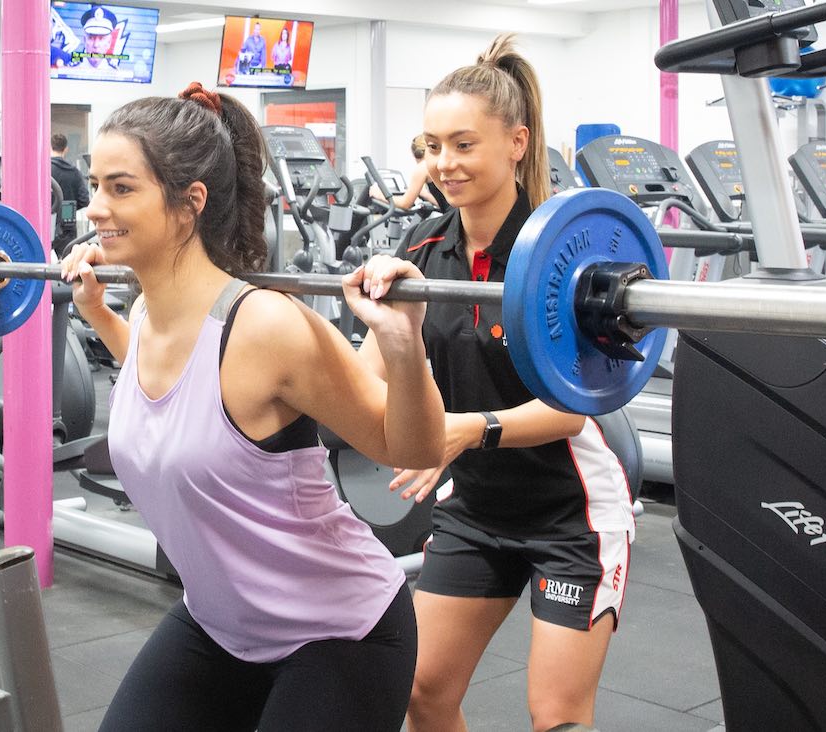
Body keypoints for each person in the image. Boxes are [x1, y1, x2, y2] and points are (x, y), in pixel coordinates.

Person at [59, 82, 446, 731]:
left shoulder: (266, 327)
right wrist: (100, 316)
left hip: (337, 631)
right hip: (220, 624)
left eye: (121, 189)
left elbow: (410, 450)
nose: (96, 208)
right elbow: (179, 402)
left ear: (190, 203)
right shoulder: (146, 311)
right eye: (96, 186)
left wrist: (403, 344)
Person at [358, 34, 635, 732]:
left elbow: (574, 412)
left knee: (557, 717)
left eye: (462, 144)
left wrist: (464, 431)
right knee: (422, 692)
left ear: (516, 142)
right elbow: (366, 366)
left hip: (571, 511)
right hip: (478, 508)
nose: (443, 164)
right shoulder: (421, 250)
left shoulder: (567, 257)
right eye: (430, 147)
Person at [370, 134, 448, 213]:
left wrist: (378, 194)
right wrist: (425, 194)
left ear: (415, 154)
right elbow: (446, 204)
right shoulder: (441, 162)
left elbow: (405, 204)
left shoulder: (423, 166)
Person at [49, 133, 89, 249]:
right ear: (66, 149)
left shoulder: (44, 171)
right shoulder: (75, 172)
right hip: (68, 229)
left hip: (46, 227)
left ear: (50, 147)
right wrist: (67, 209)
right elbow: (84, 200)